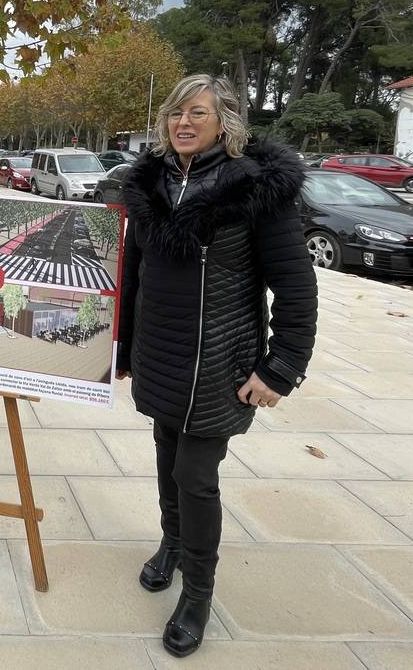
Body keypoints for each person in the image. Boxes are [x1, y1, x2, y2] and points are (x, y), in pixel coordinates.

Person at [116, 74, 317, 658]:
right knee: (164, 459)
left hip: (219, 361)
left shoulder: (255, 188)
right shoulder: (149, 182)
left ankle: (198, 594)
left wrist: (281, 368)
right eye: (176, 112)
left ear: (225, 120)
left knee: (196, 478)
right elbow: (133, 274)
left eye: (197, 113)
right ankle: (171, 545)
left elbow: (296, 286)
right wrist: (124, 348)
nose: (183, 123)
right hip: (160, 353)